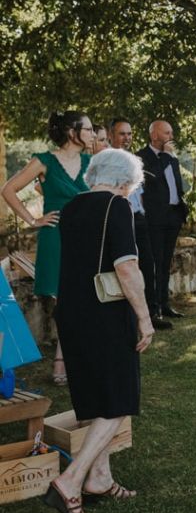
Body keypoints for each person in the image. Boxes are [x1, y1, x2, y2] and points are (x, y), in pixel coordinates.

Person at [43, 149, 154, 513]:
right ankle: (70, 481)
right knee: (118, 401)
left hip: (71, 314)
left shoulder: (71, 208)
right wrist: (145, 318)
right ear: (126, 181)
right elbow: (126, 267)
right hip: (105, 315)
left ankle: (99, 479)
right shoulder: (117, 206)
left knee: (93, 398)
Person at [1, 111, 92, 385]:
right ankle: (63, 361)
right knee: (65, 302)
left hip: (86, 237)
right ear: (71, 132)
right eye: (86, 129)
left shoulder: (92, 161)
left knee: (83, 298)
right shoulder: (44, 160)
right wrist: (33, 219)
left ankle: (75, 358)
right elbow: (8, 189)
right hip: (57, 237)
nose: (91, 133)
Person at [108, 118, 170, 330]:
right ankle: (126, 316)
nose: (127, 138)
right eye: (122, 134)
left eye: (130, 134)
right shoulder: (107, 161)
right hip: (120, 218)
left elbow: (140, 193)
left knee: (148, 264)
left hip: (139, 217)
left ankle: (151, 314)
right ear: (111, 136)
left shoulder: (134, 160)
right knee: (125, 267)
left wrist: (143, 214)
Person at [137, 120, 188, 321]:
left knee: (167, 261)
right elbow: (154, 178)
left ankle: (165, 304)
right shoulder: (141, 157)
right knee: (155, 262)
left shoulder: (171, 157)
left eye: (171, 132)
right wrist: (167, 156)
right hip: (155, 217)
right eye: (167, 133)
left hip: (173, 215)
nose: (171, 137)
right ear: (154, 135)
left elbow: (177, 183)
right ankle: (154, 307)